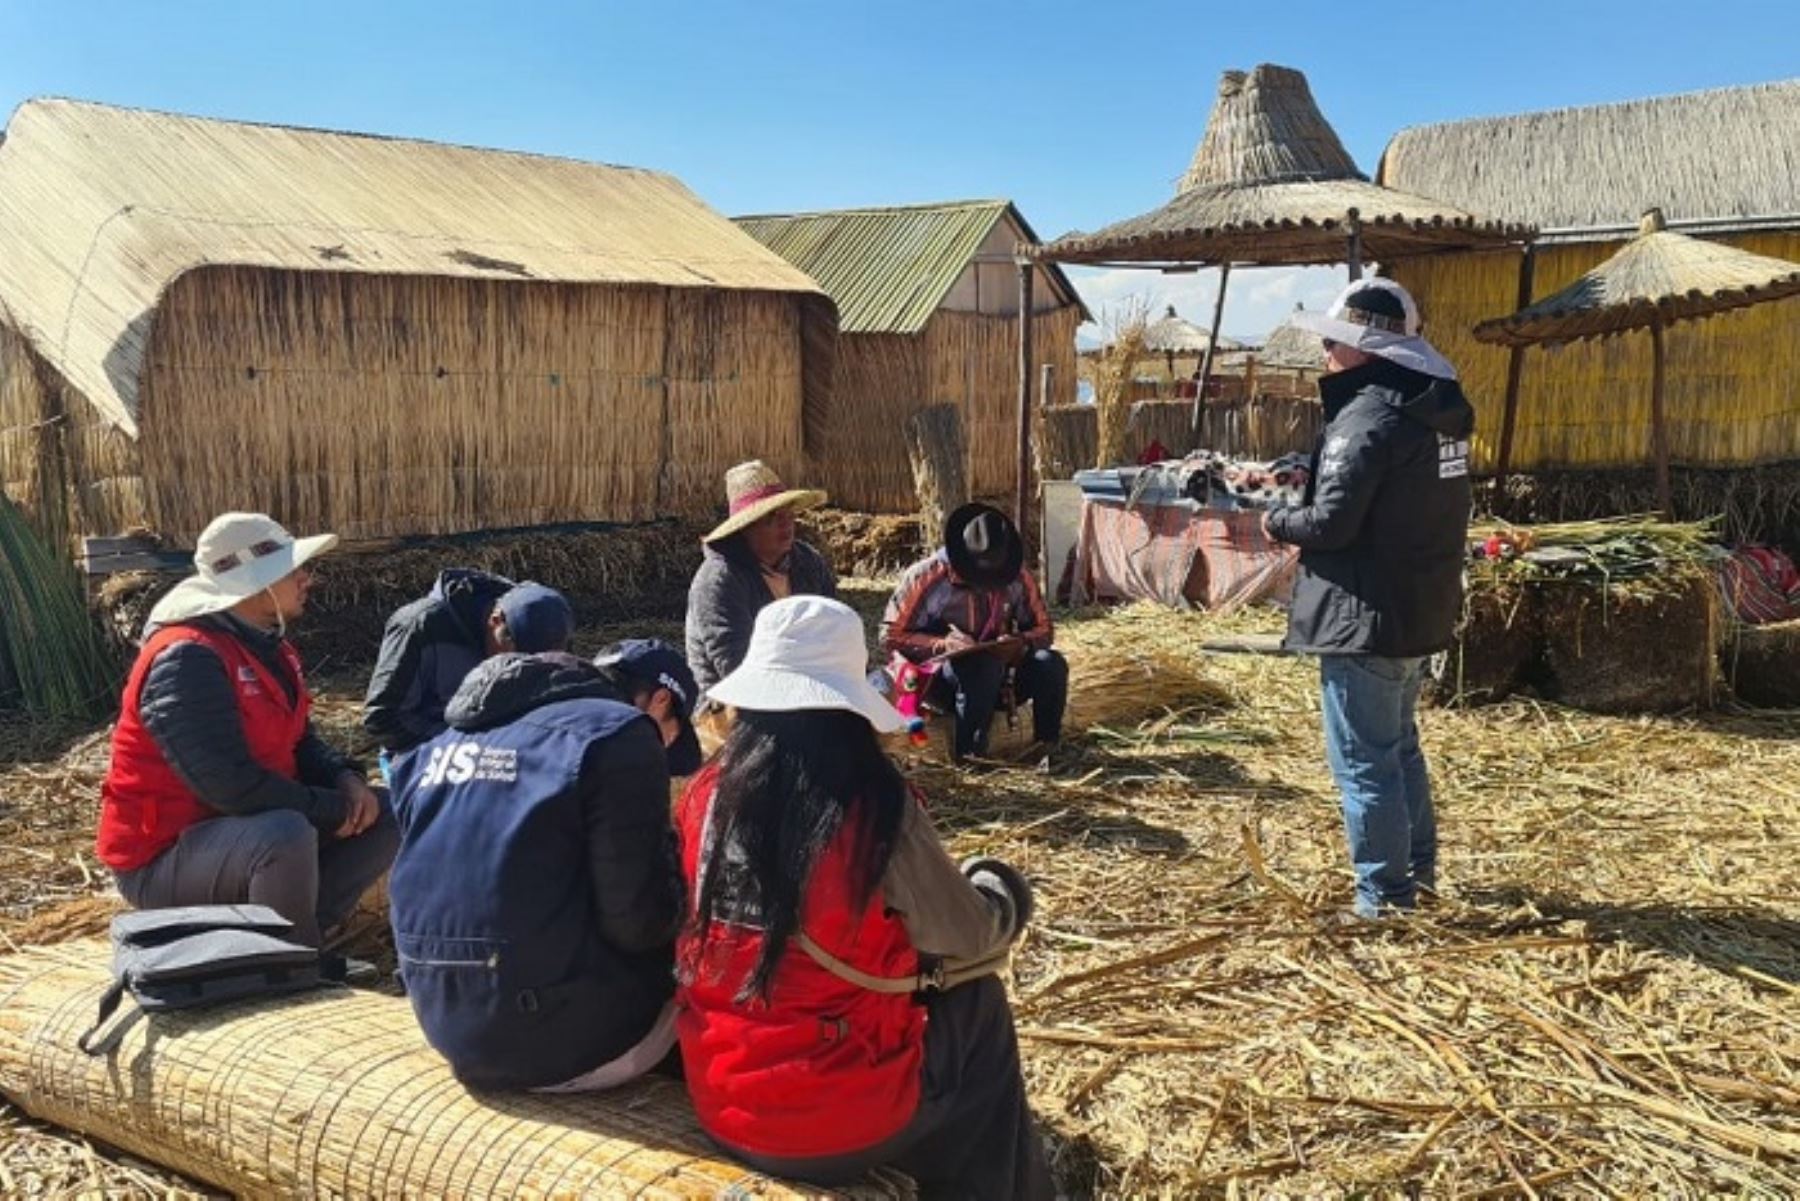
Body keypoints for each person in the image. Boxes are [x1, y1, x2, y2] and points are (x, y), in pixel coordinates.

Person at [675, 596, 1053, 1199]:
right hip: (838, 1123)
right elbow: (966, 936)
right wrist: (1001, 891)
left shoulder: (703, 798)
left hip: (721, 1100)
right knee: (977, 1003)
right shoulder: (874, 807)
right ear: (847, 705)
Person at [1263, 277, 1474, 920]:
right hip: (1419, 607)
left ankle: (1385, 899)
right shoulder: (1436, 410)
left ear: (1366, 348)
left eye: (1336, 340)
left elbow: (1332, 524)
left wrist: (1275, 520)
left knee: (1364, 763)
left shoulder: (1369, 414)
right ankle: (1421, 875)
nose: (1326, 349)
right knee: (1398, 749)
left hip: (1363, 615)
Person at [386, 648, 687, 1091]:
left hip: (444, 1021)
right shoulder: (617, 733)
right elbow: (639, 924)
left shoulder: (429, 749)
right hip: (569, 1041)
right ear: (657, 703)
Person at [97, 512, 398, 951]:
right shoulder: (187, 660)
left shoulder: (266, 645)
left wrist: (345, 778)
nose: (306, 579)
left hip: (241, 836)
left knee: (389, 811)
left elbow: (298, 740)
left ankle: (308, 932)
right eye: (293, 570)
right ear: (257, 584)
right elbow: (229, 785)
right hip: (166, 856)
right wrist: (332, 810)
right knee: (283, 835)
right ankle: (291, 964)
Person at [881, 503, 1067, 763]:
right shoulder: (927, 577)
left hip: (1005, 679)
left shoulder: (1018, 576)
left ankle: (1046, 748)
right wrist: (942, 644)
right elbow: (891, 637)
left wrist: (1020, 644)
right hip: (941, 681)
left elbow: (1044, 628)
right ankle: (971, 757)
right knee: (981, 666)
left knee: (1051, 664)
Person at [363, 571, 575, 759]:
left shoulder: (547, 626)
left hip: (511, 746)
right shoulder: (420, 626)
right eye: (517, 658)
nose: (524, 670)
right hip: (428, 753)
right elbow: (382, 718)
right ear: (495, 622)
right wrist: (474, 744)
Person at [685, 459, 836, 703]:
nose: (785, 523)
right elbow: (735, 666)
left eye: (788, 513)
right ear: (745, 528)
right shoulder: (719, 580)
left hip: (809, 690)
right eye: (771, 517)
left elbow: (833, 627)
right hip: (733, 708)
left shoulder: (807, 562)